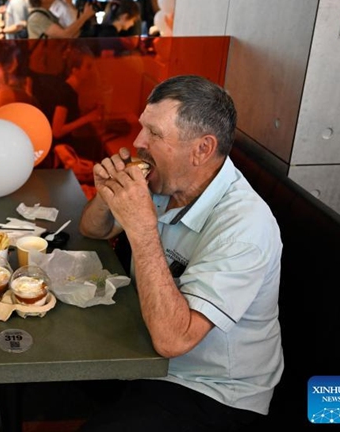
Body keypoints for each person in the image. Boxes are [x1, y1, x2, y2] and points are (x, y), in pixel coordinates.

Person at [78, 75, 283, 431]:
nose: (139, 142)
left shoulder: (245, 227)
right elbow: (93, 230)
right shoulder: (166, 182)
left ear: (202, 149)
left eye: (155, 134)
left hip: (212, 390)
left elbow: (174, 339)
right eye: (143, 128)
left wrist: (142, 228)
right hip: (141, 358)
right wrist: (106, 193)